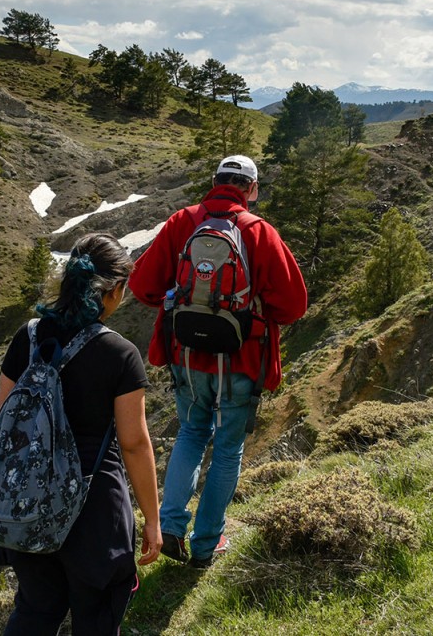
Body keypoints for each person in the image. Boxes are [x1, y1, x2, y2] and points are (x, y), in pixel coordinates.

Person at [129, 155, 307, 569]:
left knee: (191, 432)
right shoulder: (259, 231)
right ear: (251, 189)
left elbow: (142, 285)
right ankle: (207, 544)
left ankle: (170, 526)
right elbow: (294, 305)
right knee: (227, 450)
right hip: (240, 359)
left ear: (215, 183)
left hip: (187, 356)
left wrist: (181, 299)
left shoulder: (181, 222)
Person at [0, 232, 160, 635]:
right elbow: (134, 444)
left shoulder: (29, 337)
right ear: (112, 291)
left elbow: (4, 418)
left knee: (35, 610)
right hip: (93, 507)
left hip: (29, 500)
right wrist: (152, 521)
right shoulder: (119, 353)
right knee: (97, 615)